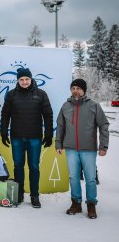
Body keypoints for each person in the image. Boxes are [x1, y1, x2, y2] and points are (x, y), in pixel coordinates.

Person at [55, 78, 109, 219]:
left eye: (78, 88)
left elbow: (103, 125)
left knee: (90, 178)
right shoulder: (66, 106)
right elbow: (60, 126)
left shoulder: (93, 105)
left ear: (84, 90)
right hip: (71, 149)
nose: (75, 90)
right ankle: (76, 203)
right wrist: (58, 144)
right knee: (73, 178)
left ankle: (91, 205)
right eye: (73, 88)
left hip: (89, 149)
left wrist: (103, 145)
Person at [0, 67, 53, 208]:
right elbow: (5, 115)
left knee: (34, 167)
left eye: (27, 79)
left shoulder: (41, 94)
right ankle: (19, 194)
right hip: (17, 137)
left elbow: (48, 115)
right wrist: (3, 132)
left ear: (31, 79)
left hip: (34, 137)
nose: (24, 82)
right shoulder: (11, 95)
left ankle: (34, 196)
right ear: (18, 80)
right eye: (21, 79)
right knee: (18, 166)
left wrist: (48, 134)